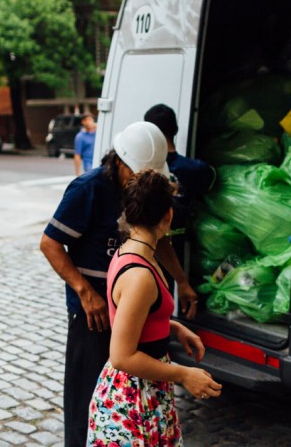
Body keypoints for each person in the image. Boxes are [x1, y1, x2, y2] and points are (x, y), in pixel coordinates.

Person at [40, 121, 199, 447]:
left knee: (128, 401)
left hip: (133, 310)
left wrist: (181, 282)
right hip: (94, 315)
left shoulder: (142, 198)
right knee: (87, 404)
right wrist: (85, 293)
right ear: (120, 161)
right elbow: (50, 244)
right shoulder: (88, 188)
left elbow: (160, 238)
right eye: (139, 174)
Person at [87, 169, 222, 445]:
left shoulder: (133, 252)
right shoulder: (140, 276)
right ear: (168, 216)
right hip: (133, 401)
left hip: (144, 392)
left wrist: (172, 327)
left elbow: (138, 318)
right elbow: (122, 355)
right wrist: (184, 374)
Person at [144, 104, 216, 270]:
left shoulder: (140, 172)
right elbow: (213, 180)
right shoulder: (197, 169)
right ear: (175, 130)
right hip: (184, 248)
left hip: (148, 249)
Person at [74, 112, 97, 176]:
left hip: (99, 162)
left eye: (90, 119)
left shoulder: (97, 132)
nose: (89, 122)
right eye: (87, 120)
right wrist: (77, 173)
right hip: (88, 166)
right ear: (83, 122)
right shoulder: (80, 136)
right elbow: (77, 155)